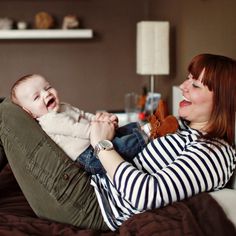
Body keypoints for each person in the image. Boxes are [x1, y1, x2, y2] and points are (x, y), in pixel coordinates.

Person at [0, 53, 235, 231]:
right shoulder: (184, 129)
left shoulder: (215, 152)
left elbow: (146, 195)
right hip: (91, 180)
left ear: (223, 102)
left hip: (92, 203)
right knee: (11, 111)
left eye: (195, 85)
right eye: (187, 79)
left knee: (6, 113)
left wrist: (101, 144)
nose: (183, 86)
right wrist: (107, 125)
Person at [10, 74, 154, 175]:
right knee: (120, 147)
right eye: (36, 97)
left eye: (47, 88)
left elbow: (85, 115)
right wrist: (101, 128)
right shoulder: (49, 121)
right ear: (30, 113)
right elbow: (80, 130)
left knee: (124, 129)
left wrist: (102, 121)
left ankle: (145, 126)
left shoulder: (63, 106)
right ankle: (146, 134)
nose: (46, 94)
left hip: (96, 139)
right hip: (88, 156)